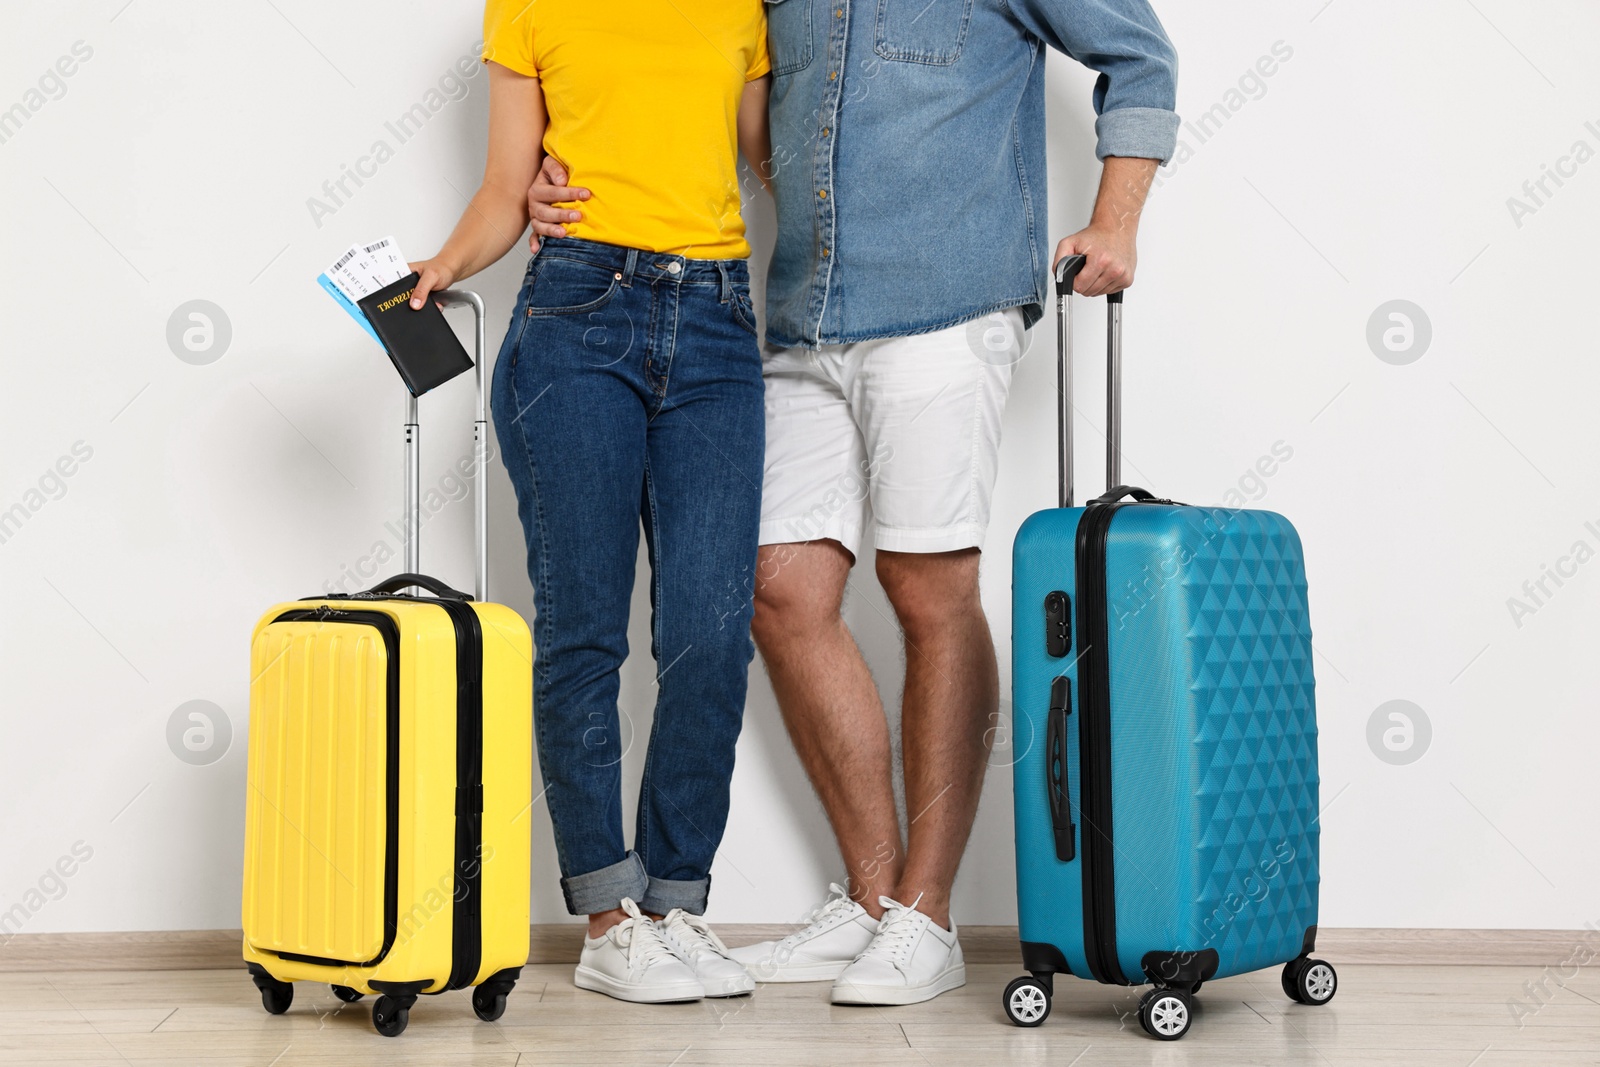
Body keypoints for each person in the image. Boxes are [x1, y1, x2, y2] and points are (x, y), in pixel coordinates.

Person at [529, 0, 1179, 1007]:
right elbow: (714, 91)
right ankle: (876, 902)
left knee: (926, 583)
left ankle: (927, 913)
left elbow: (1139, 60)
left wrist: (1116, 221)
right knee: (777, 589)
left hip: (945, 303)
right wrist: (570, 171)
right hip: (802, 313)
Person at [408, 0, 775, 1003]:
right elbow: (502, 188)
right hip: (577, 308)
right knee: (583, 631)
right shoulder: (528, 5)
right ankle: (610, 915)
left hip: (716, 319)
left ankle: (673, 903)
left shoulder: (744, 9)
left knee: (711, 627)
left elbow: (775, 161)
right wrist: (443, 263)